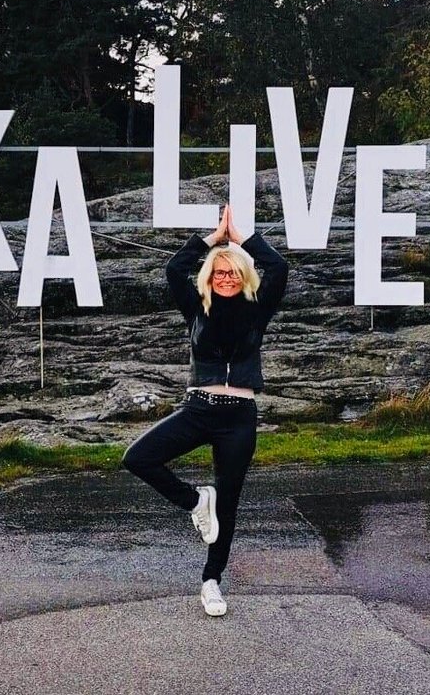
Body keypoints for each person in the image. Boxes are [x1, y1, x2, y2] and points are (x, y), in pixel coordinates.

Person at [121, 204, 289, 617]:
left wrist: (242, 237)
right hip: (199, 409)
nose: (227, 278)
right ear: (210, 276)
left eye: (233, 272)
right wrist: (213, 239)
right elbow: (173, 269)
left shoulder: (256, 309)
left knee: (228, 502)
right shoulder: (196, 308)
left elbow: (279, 268)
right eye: (220, 271)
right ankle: (197, 502)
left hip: (239, 417)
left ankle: (211, 582)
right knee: (139, 457)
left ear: (243, 276)